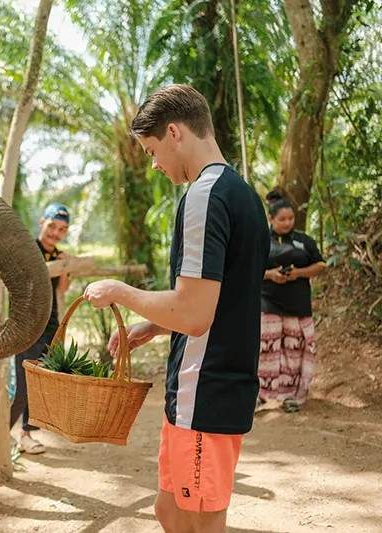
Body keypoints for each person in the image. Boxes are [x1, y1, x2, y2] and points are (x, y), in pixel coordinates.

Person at [83, 84, 269, 533]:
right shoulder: (241, 194)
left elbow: (193, 314)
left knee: (199, 523)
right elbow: (215, 301)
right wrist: (151, 323)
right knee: (169, 513)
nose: (154, 164)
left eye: (151, 151)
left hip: (204, 391)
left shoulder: (204, 196)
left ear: (174, 132)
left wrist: (121, 292)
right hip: (202, 388)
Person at [9, 202, 72, 454]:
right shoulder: (27, 250)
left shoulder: (58, 255)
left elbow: (62, 289)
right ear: (41, 222)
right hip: (27, 325)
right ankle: (4, 432)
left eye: (62, 229)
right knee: (23, 383)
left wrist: (65, 267)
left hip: (51, 326)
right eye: (52, 226)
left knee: (41, 383)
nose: (55, 233)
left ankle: (26, 434)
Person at [259, 190, 326, 413]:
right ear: (271, 219)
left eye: (291, 218)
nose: (287, 223)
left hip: (297, 305)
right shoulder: (259, 241)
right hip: (267, 302)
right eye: (282, 219)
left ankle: (291, 396)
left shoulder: (303, 240)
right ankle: (261, 394)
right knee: (265, 349)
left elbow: (321, 265)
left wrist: (298, 273)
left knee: (294, 350)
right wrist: (270, 274)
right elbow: (246, 269)